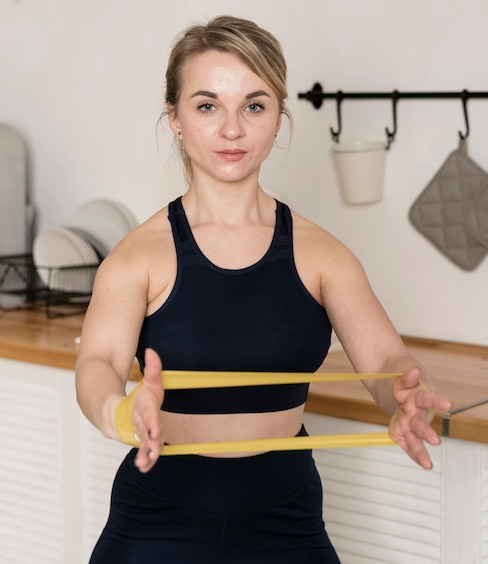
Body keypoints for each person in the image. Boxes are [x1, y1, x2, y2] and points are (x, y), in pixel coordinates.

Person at [75, 15, 452, 564]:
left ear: (278, 118)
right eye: (207, 106)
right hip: (157, 523)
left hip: (286, 519)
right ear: (175, 119)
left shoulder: (323, 255)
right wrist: (118, 411)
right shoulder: (137, 258)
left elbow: (387, 358)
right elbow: (98, 365)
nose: (233, 129)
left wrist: (406, 396)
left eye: (254, 105)